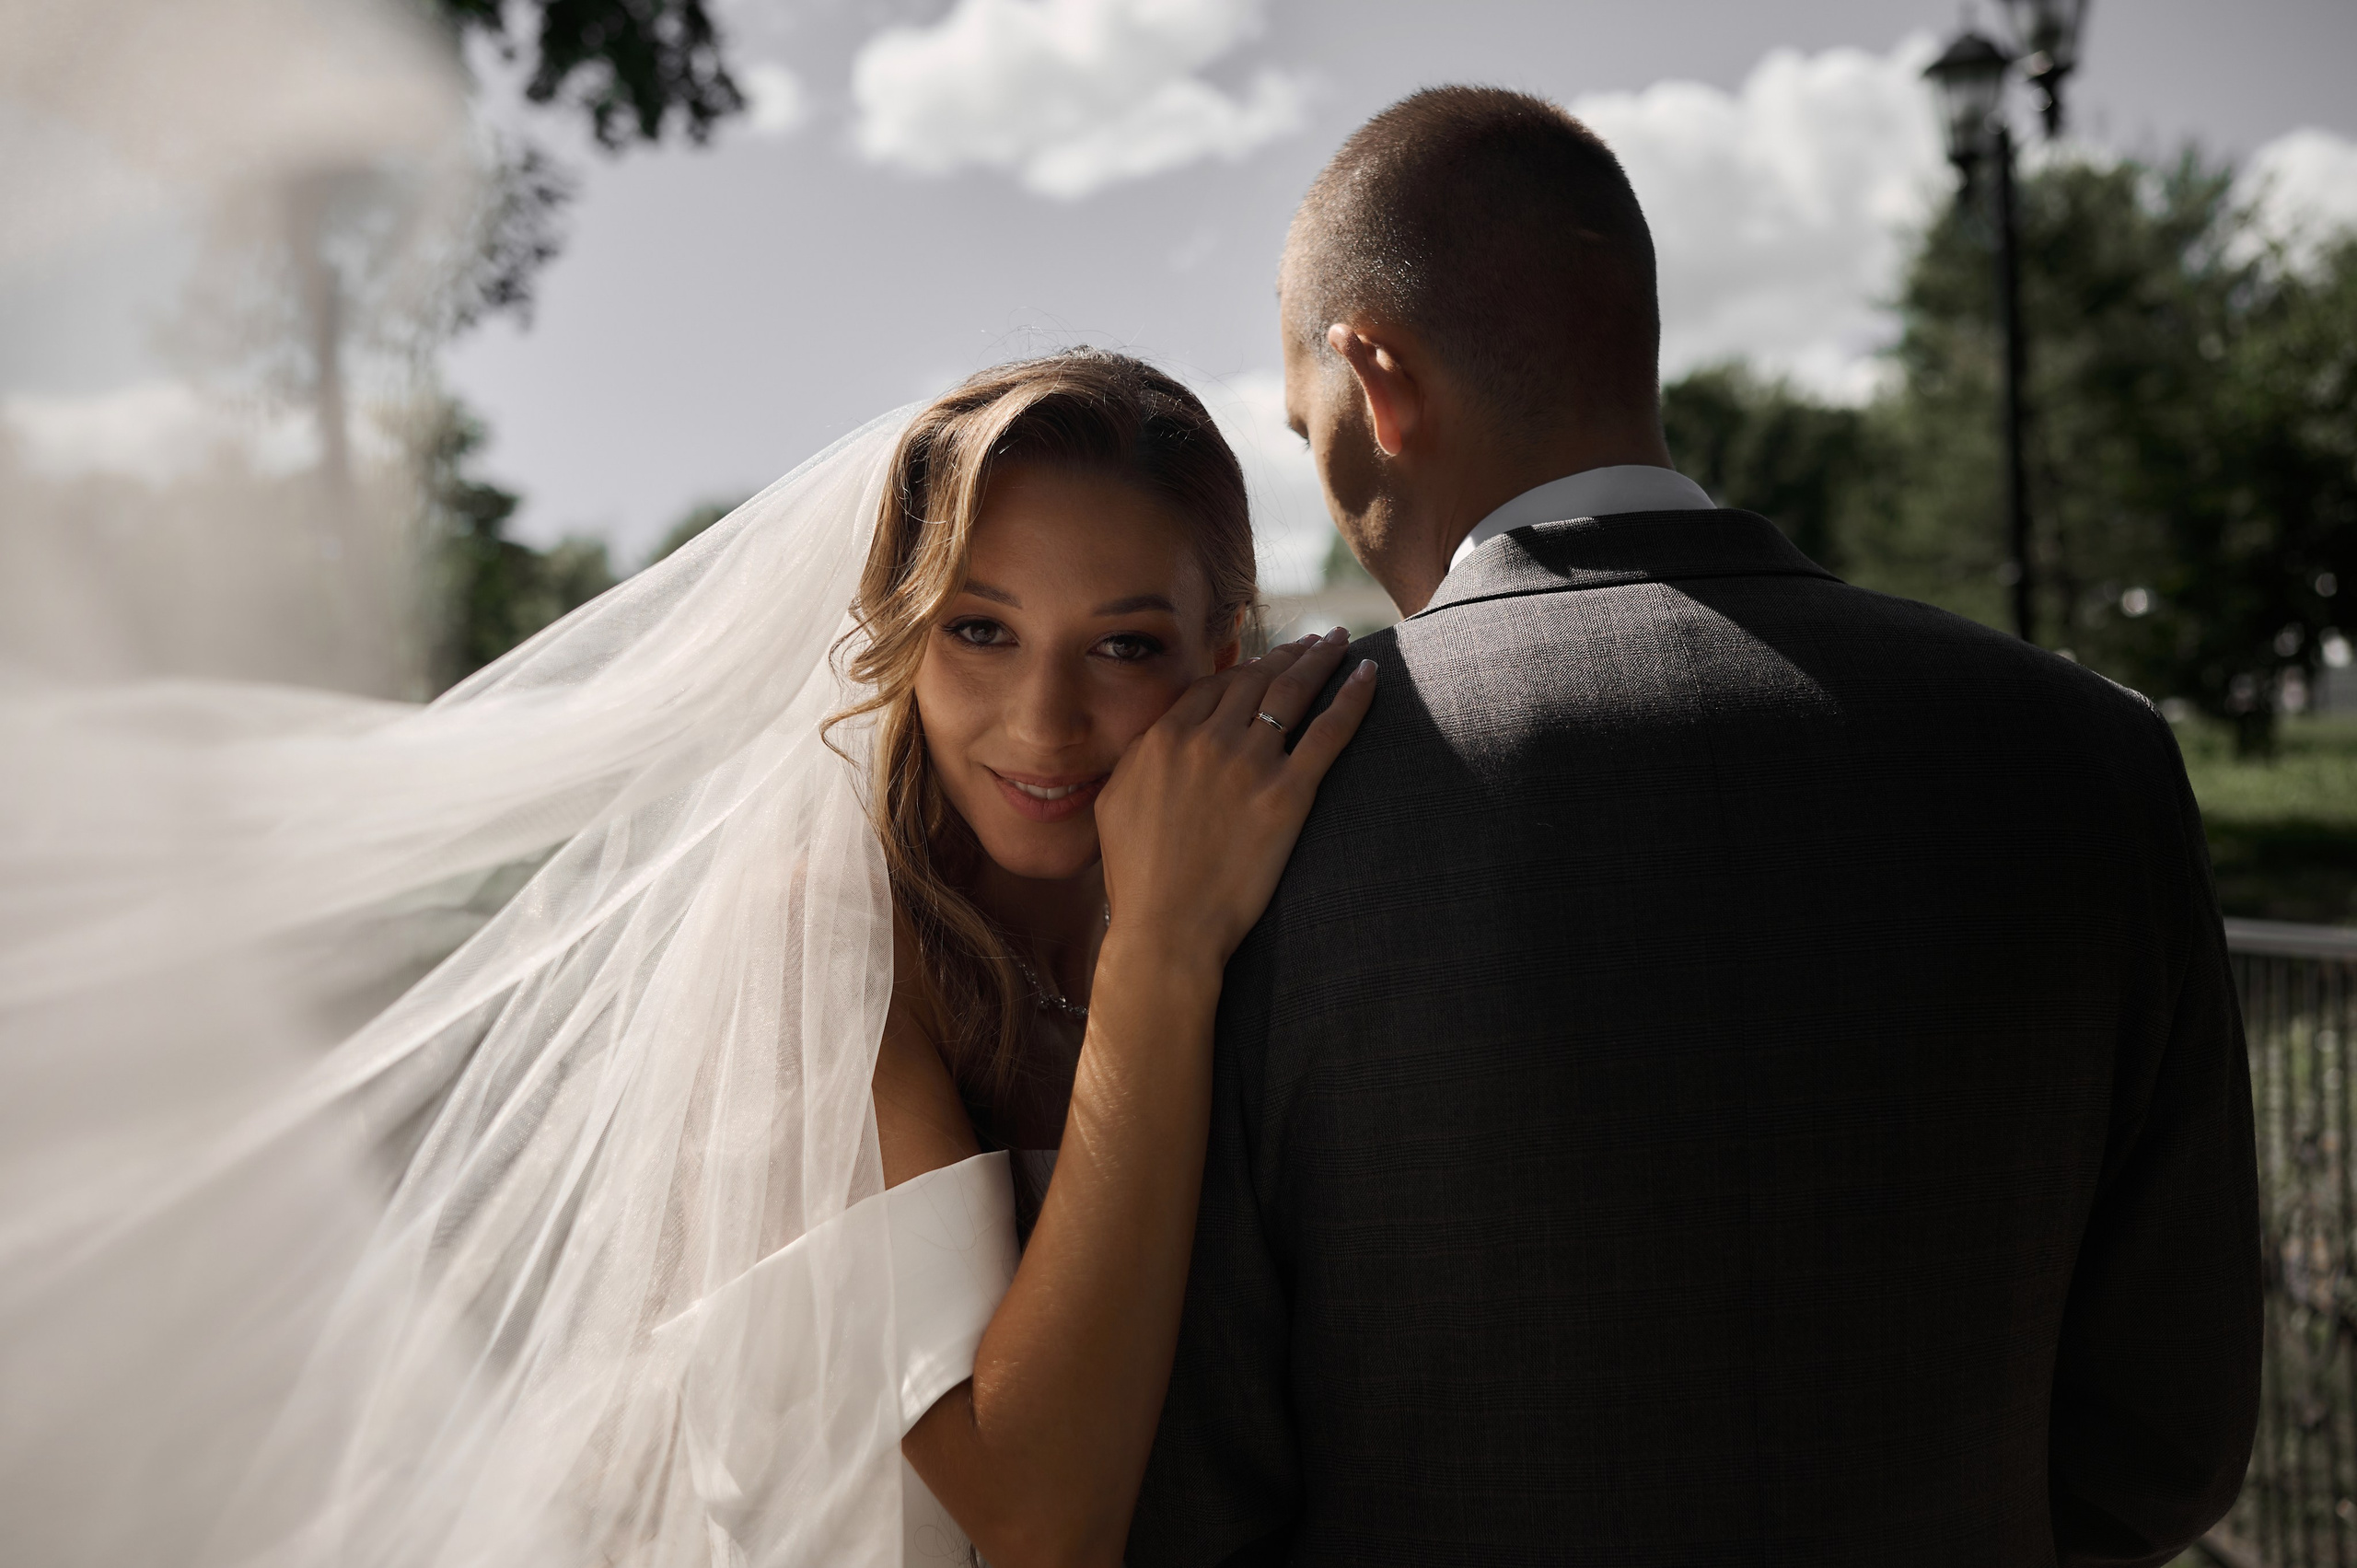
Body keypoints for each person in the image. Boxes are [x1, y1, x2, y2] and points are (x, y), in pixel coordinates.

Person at [1127, 87, 2263, 1567]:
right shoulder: (2093, 754)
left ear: (1377, 377)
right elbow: (2170, 1444)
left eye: (1310, 422)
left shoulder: (1263, 800)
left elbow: (1197, 1487)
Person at [0, 352, 1372, 1568]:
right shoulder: (820, 938)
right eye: (979, 629)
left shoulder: (1298, 892)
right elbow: (1032, 1520)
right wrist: (1160, 967)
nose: (1046, 719)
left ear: (1221, 654)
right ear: (895, 635)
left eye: (1124, 645)